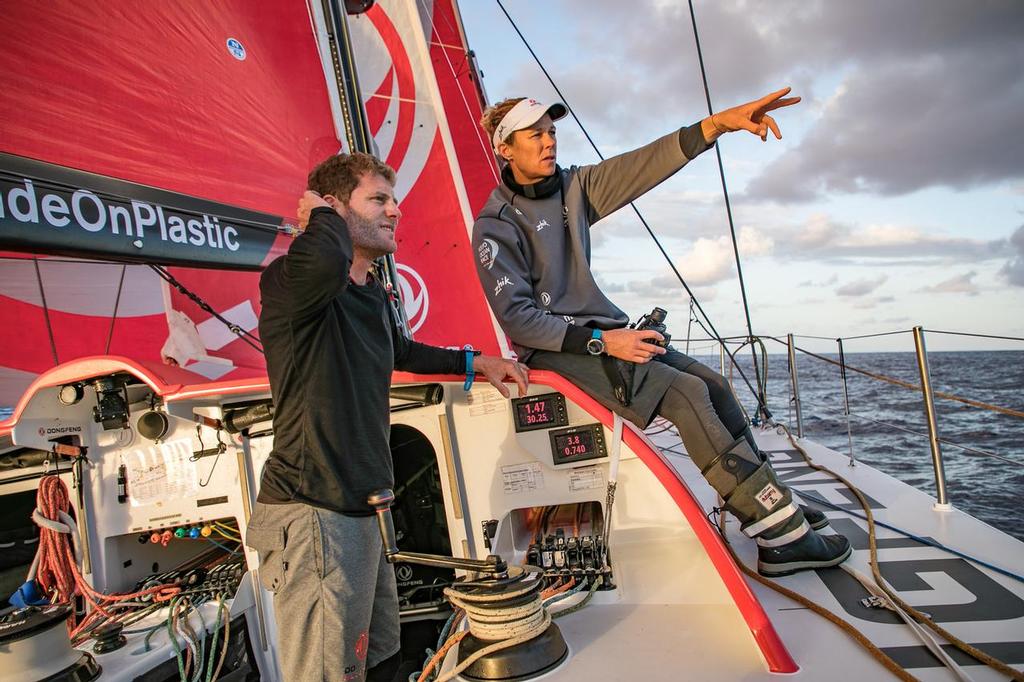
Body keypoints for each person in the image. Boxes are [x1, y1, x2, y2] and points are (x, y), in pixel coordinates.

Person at [471, 91, 850, 578]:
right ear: (506, 149)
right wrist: (605, 342)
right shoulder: (494, 226)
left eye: (552, 131)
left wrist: (716, 125)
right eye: (535, 134)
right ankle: (782, 539)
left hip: (601, 335)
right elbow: (520, 321)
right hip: (556, 348)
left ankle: (769, 500)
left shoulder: (574, 188)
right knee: (687, 395)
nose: (549, 142)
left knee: (713, 384)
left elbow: (643, 165)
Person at [246, 151, 528, 682]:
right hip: (313, 512)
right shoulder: (292, 283)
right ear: (330, 209)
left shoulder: (371, 292)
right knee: (330, 672)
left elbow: (401, 351)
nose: (395, 211)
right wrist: (320, 217)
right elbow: (321, 265)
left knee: (379, 656)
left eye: (394, 200)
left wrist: (477, 361)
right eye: (378, 199)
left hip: (358, 509)